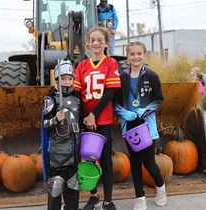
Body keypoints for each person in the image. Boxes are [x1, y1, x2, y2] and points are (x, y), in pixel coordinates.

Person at [113, 41, 167, 210]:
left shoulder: (152, 76)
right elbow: (114, 102)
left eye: (139, 54)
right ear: (127, 56)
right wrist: (124, 113)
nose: (136, 57)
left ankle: (161, 189)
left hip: (146, 124)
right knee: (135, 164)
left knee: (150, 163)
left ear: (144, 55)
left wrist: (146, 110)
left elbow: (159, 99)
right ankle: (140, 198)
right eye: (132, 54)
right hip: (130, 125)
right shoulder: (122, 78)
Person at [74, 27, 121, 210]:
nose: (96, 43)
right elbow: (77, 94)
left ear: (106, 43)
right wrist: (86, 117)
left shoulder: (110, 63)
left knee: (106, 161)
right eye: (92, 40)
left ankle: (108, 201)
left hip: (102, 120)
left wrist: (94, 115)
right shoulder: (81, 66)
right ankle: (93, 196)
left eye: (100, 40)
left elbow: (109, 92)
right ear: (88, 42)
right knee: (88, 160)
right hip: (86, 120)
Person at [41, 58, 82, 210]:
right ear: (57, 79)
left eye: (69, 78)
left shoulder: (77, 98)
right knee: (56, 186)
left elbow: (80, 124)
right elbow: (44, 125)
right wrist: (55, 120)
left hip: (73, 152)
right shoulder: (50, 99)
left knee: (73, 187)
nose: (66, 81)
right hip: (57, 154)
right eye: (63, 78)